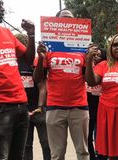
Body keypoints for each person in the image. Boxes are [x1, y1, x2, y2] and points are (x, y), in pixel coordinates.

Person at [0, 0, 35, 159]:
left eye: (3, 4)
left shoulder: (6, 32)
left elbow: (28, 58)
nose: (2, 9)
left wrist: (31, 34)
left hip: (21, 105)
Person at [34, 9, 90, 160]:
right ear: (56, 22)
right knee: (57, 154)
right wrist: (40, 58)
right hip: (54, 107)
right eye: (64, 19)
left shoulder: (82, 48)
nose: (67, 22)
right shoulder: (48, 49)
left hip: (79, 107)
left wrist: (90, 58)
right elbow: (38, 78)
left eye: (70, 19)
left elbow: (89, 79)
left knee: (83, 152)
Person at [15, 34, 51, 160]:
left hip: (39, 110)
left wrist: (40, 107)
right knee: (25, 146)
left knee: (47, 144)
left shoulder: (35, 63)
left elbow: (42, 86)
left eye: (25, 46)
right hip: (21, 112)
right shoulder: (12, 66)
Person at [85, 45, 106, 160]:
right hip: (88, 101)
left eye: (99, 55)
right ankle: (92, 156)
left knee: (100, 132)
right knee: (87, 133)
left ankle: (101, 155)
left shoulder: (105, 67)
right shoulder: (86, 66)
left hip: (101, 101)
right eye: (94, 54)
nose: (96, 57)